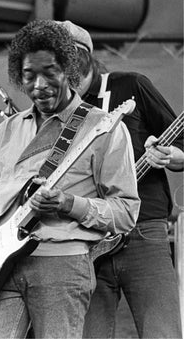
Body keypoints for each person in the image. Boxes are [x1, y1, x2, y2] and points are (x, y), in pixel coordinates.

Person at [0, 20, 141, 338]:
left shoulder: (104, 128)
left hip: (63, 266)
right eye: (29, 76)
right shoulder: (7, 130)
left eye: (50, 72)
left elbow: (125, 213)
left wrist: (69, 204)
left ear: (68, 69)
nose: (39, 85)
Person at [59, 20, 184, 338]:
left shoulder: (131, 85)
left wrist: (172, 156)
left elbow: (180, 140)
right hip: (86, 242)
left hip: (144, 232)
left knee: (163, 333)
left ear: (80, 57)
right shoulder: (59, 109)